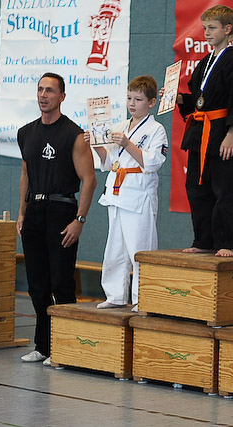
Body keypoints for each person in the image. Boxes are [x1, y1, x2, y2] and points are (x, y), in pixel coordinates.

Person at [17, 72, 96, 365]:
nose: (43, 95)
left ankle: (65, 348)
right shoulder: (26, 133)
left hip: (62, 212)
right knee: (37, 285)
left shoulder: (73, 135)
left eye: (49, 91)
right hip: (34, 213)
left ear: (62, 97)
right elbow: (25, 174)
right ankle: (43, 345)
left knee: (61, 283)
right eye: (40, 90)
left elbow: (89, 180)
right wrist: (22, 212)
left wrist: (79, 220)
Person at [88, 75, 168, 312]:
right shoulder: (121, 126)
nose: (132, 104)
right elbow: (108, 162)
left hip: (139, 194)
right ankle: (115, 295)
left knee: (140, 248)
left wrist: (127, 144)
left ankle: (143, 298)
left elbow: (153, 162)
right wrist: (96, 144)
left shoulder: (156, 130)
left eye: (138, 99)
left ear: (151, 102)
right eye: (129, 98)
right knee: (115, 248)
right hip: (117, 192)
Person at [176, 4, 233, 257]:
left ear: (227, 29)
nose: (206, 33)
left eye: (212, 28)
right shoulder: (205, 62)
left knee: (223, 190)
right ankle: (203, 240)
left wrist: (232, 133)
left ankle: (224, 241)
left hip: (221, 133)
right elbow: (199, 100)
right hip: (200, 133)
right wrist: (179, 99)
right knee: (196, 188)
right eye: (205, 28)